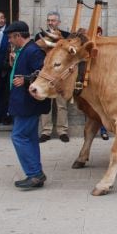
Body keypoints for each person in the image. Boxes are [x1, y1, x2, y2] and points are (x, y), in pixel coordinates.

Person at [6, 21, 51, 189]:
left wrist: (25, 80)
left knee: (18, 137)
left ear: (18, 35)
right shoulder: (25, 50)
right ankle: (35, 173)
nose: (10, 40)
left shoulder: (32, 51)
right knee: (29, 138)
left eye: (11, 37)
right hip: (24, 102)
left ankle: (34, 174)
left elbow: (43, 74)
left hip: (28, 103)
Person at [38, 11, 70, 143]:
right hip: (46, 76)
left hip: (61, 76)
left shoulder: (66, 36)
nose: (50, 23)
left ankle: (62, 131)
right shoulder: (39, 36)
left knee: (62, 104)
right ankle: (46, 131)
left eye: (53, 20)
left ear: (59, 22)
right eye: (49, 20)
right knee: (46, 104)